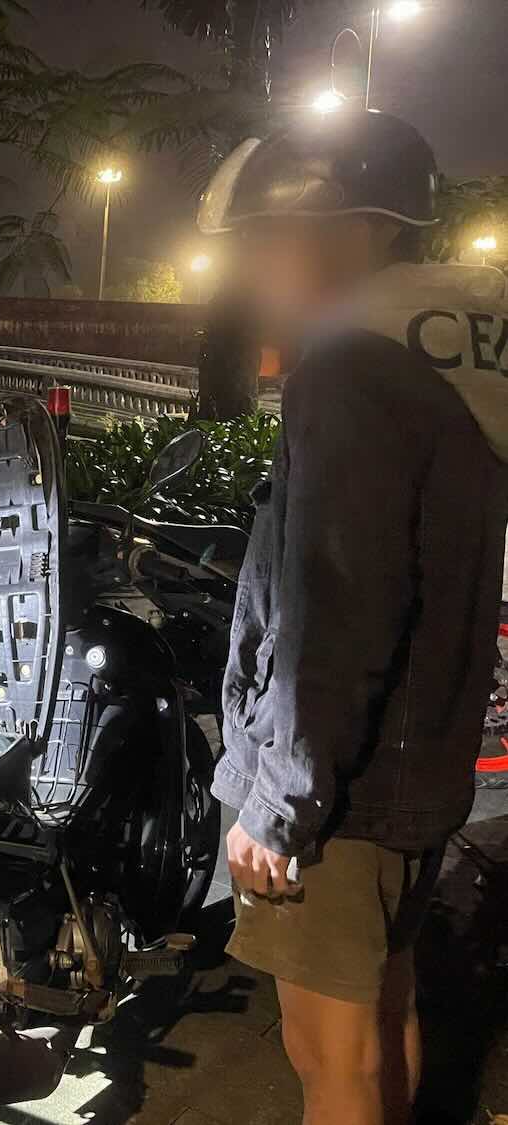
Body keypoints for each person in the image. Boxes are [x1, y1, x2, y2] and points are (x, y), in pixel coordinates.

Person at [204, 110, 508, 1125]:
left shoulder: (348, 371)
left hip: (337, 793)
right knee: (384, 1016)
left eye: (265, 240)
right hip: (418, 773)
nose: (255, 267)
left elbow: (335, 608)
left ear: (347, 230)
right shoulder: (452, 370)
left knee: (328, 1057)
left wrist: (278, 802)